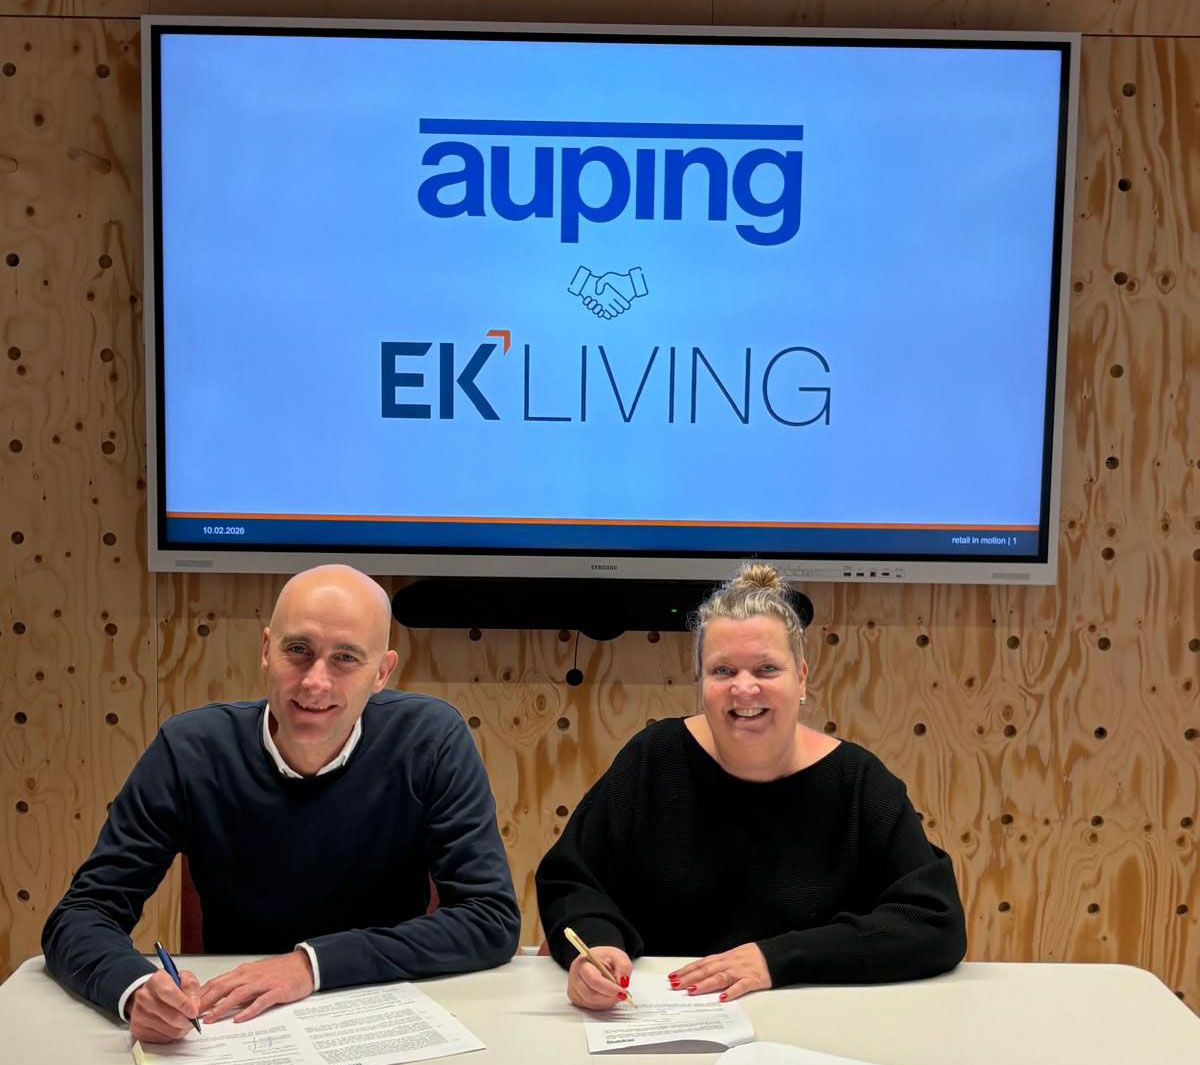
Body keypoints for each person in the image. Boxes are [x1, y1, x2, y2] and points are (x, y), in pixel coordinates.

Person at [43, 564, 520, 1042]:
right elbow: (82, 914)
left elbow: (489, 917)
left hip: (383, 1018)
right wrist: (135, 988)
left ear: (381, 672)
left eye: (345, 658)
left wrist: (310, 964)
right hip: (233, 1026)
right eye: (298, 650)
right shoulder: (190, 751)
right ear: (266, 650)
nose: (315, 682)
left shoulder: (429, 741)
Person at [536, 562, 966, 1009]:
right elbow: (571, 880)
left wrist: (776, 958)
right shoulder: (653, 758)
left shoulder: (857, 782)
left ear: (801, 678)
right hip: (659, 1015)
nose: (744, 689)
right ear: (700, 681)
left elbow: (934, 921)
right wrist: (598, 945)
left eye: (766, 669)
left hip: (815, 1018)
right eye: (723, 671)